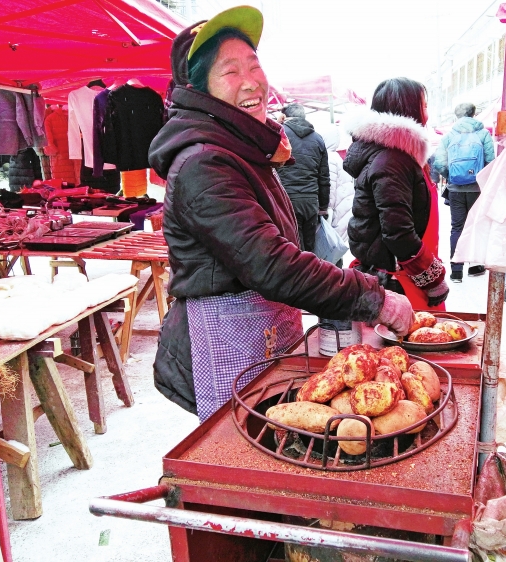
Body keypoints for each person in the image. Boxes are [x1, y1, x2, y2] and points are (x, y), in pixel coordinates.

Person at [148, 7, 415, 422]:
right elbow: (271, 264)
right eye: (230, 71)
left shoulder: (243, 146)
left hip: (266, 327)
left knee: (280, 432)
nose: (251, 80)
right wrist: (374, 299)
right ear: (198, 90)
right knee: (240, 453)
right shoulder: (204, 163)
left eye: (254, 65)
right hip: (229, 336)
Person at [344, 77, 449, 310]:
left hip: (398, 273)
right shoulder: (392, 161)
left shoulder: (395, 156)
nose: (426, 113)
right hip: (398, 281)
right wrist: (432, 278)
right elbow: (397, 232)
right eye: (424, 106)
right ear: (410, 110)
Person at [433, 102, 494, 282]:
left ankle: (456, 271)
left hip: (455, 189)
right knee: (476, 226)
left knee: (457, 227)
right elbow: (491, 161)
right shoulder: (483, 134)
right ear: (474, 114)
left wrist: (452, 176)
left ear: (457, 116)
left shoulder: (448, 136)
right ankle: (475, 267)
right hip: (477, 189)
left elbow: (439, 164)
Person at [276, 103, 330, 253]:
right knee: (310, 249)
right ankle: (314, 275)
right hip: (311, 201)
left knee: (295, 250)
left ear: (285, 116)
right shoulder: (318, 139)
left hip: (287, 200)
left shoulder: (280, 135)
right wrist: (323, 207)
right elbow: (324, 177)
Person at [322, 124, 354, 266]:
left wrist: (325, 214)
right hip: (343, 212)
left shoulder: (328, 159)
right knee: (335, 252)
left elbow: (330, 193)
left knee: (329, 252)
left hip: (334, 215)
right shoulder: (338, 159)